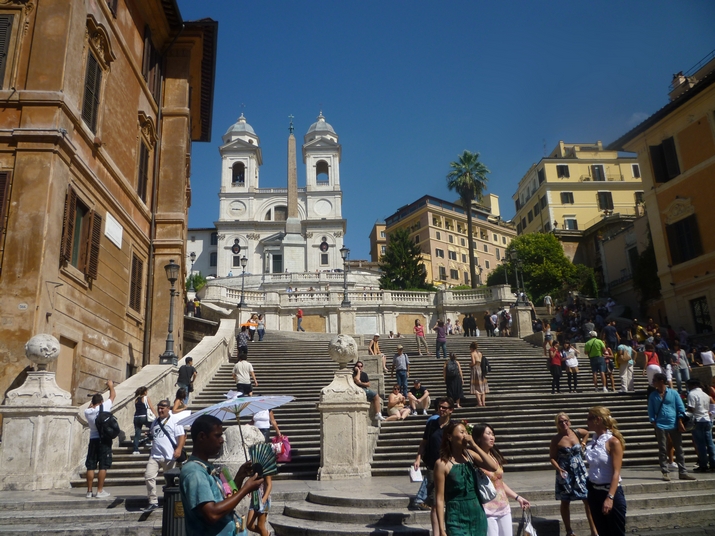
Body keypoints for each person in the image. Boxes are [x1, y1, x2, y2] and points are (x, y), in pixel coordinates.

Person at [179, 415, 263, 535]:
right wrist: (246, 489)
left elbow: (224, 502)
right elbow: (212, 514)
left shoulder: (206, 467)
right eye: (217, 435)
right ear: (202, 436)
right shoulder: (195, 472)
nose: (222, 440)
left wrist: (239, 477)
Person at [434, 421, 498, 536]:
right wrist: (441, 530)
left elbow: (493, 466)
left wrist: (474, 445)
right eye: (461, 432)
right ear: (449, 437)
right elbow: (439, 498)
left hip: (477, 514)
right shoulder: (442, 464)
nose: (465, 435)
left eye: (466, 432)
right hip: (455, 515)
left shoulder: (470, 455)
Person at [473, 423, 530, 536]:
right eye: (488, 434)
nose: (492, 437)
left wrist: (517, 497)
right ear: (478, 437)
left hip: (503, 506)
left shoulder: (495, 456)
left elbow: (499, 483)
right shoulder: (474, 459)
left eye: (493, 434)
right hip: (487, 509)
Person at [549, 413, 598, 536]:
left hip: (580, 472)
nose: (563, 423)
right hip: (565, 473)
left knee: (587, 500)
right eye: (560, 422)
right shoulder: (556, 439)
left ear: (569, 422)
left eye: (565, 421)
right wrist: (559, 469)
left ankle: (594, 531)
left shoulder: (576, 433)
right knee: (565, 502)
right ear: (557, 424)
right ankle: (569, 531)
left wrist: (583, 443)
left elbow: (587, 433)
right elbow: (552, 457)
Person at [585, 406, 627, 536]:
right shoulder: (594, 441)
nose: (587, 422)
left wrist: (610, 497)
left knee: (615, 533)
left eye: (589, 418)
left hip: (610, 492)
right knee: (602, 532)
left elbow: (616, 472)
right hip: (594, 492)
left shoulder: (613, 441)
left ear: (598, 420)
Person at [412, 398, 455, 522]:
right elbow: (424, 442)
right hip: (433, 466)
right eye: (439, 407)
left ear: (451, 410)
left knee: (450, 498)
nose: (441, 409)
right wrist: (418, 458)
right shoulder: (432, 424)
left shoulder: (454, 426)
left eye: (444, 407)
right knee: (435, 500)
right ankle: (438, 530)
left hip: (449, 466)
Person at [648, 372, 696, 481]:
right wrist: (653, 422)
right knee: (662, 449)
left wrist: (679, 421)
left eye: (655, 380)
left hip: (673, 423)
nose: (653, 382)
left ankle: (683, 471)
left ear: (661, 381)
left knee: (679, 448)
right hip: (660, 424)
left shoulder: (673, 393)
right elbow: (650, 410)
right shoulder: (653, 395)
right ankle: (665, 471)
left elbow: (680, 407)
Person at [143, 399, 187, 512]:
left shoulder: (175, 421)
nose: (160, 410)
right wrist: (149, 435)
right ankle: (153, 501)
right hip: (155, 455)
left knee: (169, 480)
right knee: (149, 476)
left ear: (168, 409)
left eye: (162, 408)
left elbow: (182, 436)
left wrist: (179, 449)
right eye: (159, 408)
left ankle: (171, 500)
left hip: (169, 456)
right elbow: (155, 434)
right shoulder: (155, 422)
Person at [85, 380, 117, 498]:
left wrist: (93, 402)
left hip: (93, 440)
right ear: (101, 401)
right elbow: (113, 395)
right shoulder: (106, 406)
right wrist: (111, 386)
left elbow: (90, 407)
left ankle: (89, 491)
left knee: (91, 465)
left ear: (93, 402)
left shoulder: (87, 412)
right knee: (103, 466)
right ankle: (99, 491)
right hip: (104, 440)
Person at [686, 379, 715, 473]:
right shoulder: (706, 395)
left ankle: (703, 465)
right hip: (707, 419)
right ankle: (713, 463)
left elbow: (691, 408)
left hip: (697, 420)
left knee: (700, 444)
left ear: (693, 385)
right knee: (710, 443)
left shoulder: (692, 394)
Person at [246, 470, 272, 536]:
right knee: (249, 525)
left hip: (264, 500)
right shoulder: (254, 468)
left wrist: (264, 499)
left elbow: (269, 485)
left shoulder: (266, 468)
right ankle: (266, 534)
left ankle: (265, 534)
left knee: (260, 526)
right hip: (254, 500)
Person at [133, 386, 156, 455]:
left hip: (136, 417)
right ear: (145, 392)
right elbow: (151, 407)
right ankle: (148, 439)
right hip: (144, 416)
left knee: (137, 433)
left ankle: (135, 450)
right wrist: (157, 416)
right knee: (153, 428)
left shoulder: (136, 400)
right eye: (147, 391)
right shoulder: (146, 398)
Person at [469, 341, 489, 407]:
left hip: (475, 369)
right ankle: (483, 402)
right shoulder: (480, 353)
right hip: (481, 369)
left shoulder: (472, 353)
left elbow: (474, 362)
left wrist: (470, 365)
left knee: (476, 387)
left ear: (472, 348)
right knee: (482, 387)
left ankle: (479, 403)